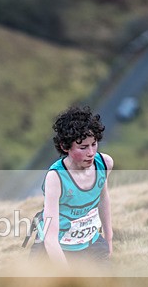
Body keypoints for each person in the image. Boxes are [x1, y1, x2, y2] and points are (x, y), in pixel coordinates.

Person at [32, 105, 113, 264]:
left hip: (89, 242)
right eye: (83, 147)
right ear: (64, 146)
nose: (91, 152)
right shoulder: (55, 178)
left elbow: (103, 199)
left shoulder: (104, 163)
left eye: (94, 144)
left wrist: (109, 238)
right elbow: (50, 239)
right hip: (54, 248)